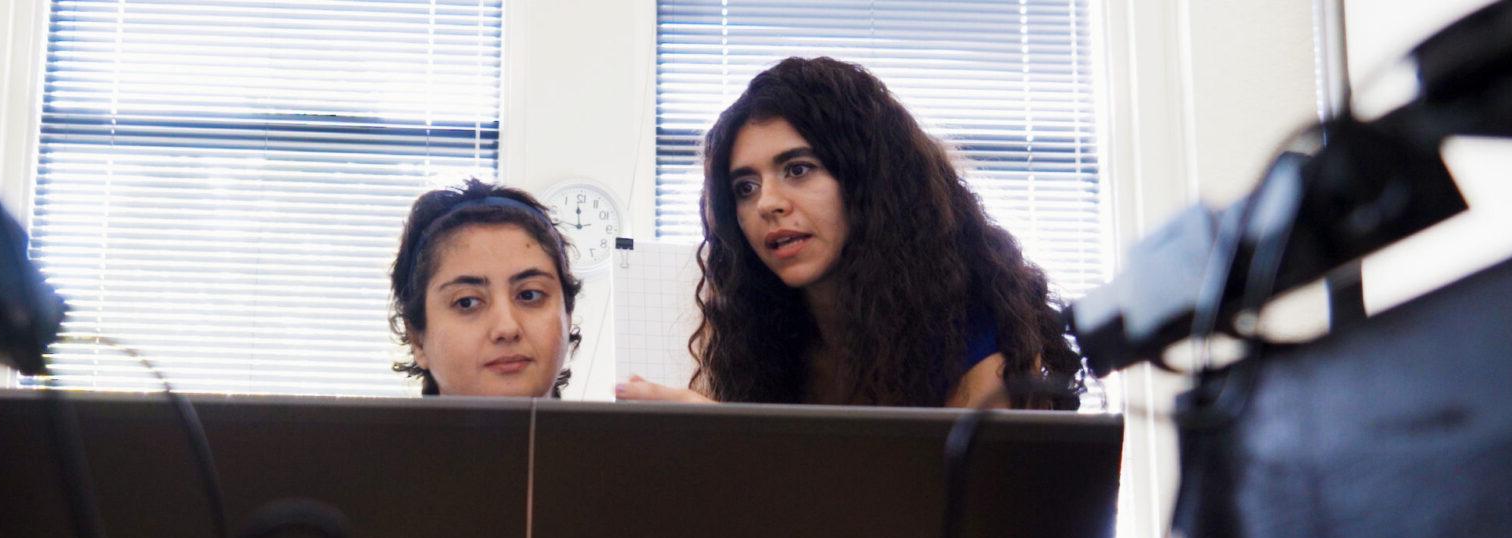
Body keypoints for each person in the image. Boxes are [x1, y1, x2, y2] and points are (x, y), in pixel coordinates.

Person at [618, 57, 1083, 409]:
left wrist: (738, 445)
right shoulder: (760, 345)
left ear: (871, 184)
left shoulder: (981, 345)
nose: (767, 203)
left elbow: (936, 522)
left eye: (798, 169)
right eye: (745, 187)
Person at [390, 180, 582, 398]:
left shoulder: (622, 433)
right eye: (467, 302)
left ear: (567, 317)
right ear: (417, 339)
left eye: (529, 295)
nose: (507, 328)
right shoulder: (350, 433)